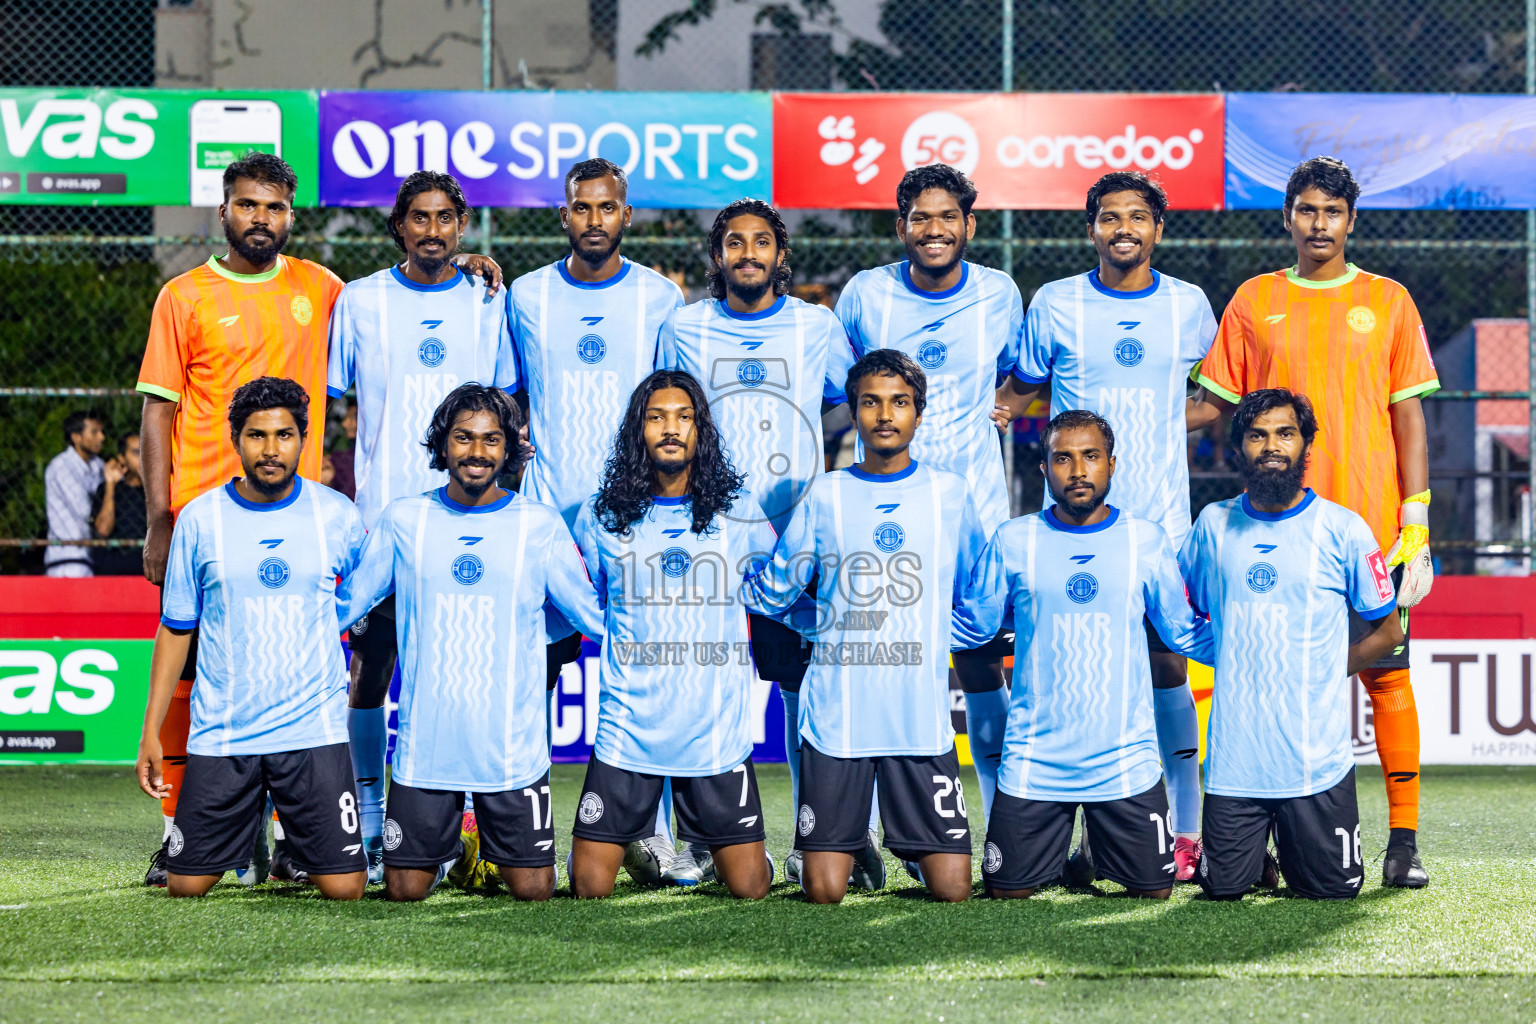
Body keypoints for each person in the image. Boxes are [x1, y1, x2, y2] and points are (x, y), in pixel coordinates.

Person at [135, 151, 502, 886]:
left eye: (273, 207)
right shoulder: (184, 295)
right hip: (207, 512)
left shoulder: (325, 289)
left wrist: (464, 261)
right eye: (247, 205)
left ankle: (302, 834)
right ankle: (185, 829)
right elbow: (156, 412)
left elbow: (414, 288)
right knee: (198, 673)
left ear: (290, 216)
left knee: (300, 672)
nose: (260, 218)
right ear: (224, 212)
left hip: (301, 515)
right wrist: (159, 517)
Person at [1189, 156, 1439, 888]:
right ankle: (1254, 833)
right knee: (1257, 678)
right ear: (1288, 217)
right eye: (1307, 209)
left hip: (1368, 523)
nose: (1319, 223)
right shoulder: (1254, 298)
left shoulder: (1389, 299)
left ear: (1351, 220)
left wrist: (1417, 515)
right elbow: (1214, 405)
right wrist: (1127, 420)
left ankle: (1403, 842)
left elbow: (1407, 414)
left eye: (1332, 211)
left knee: (1388, 672)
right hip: (1270, 527)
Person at [992, 171, 1218, 880]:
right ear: (1091, 228)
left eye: (1138, 216)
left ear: (1159, 229)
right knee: (1061, 661)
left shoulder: (1189, 305)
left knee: (1166, 664)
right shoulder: (1056, 302)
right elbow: (1018, 391)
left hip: (1161, 523)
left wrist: (1162, 424)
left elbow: (1218, 397)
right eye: (1110, 217)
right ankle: (1055, 819)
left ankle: (1186, 830)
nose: (1124, 228)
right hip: (1071, 525)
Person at [745, 350, 1004, 903]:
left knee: (954, 890)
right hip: (838, 720)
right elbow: (776, 593)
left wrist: (932, 632)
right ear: (854, 412)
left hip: (919, 722)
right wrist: (820, 623)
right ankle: (857, 841)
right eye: (870, 402)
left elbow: (977, 594)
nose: (885, 414)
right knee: (824, 891)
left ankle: (907, 841)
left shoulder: (949, 493)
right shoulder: (826, 494)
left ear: (919, 413)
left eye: (899, 402)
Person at [659, 198, 860, 887]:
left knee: (802, 691)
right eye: (735, 243)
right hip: (706, 535)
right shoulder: (685, 326)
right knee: (696, 684)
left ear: (780, 254)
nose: (749, 254)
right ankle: (696, 841)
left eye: (762, 242)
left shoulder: (816, 324)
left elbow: (850, 397)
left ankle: (812, 835)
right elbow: (666, 410)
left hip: (793, 539)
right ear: (717, 256)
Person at [326, 170, 518, 885]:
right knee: (371, 672)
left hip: (466, 518)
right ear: (399, 226)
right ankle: (373, 825)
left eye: (444, 219)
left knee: (461, 677)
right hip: (384, 522)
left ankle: (469, 833)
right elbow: (332, 401)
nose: (432, 230)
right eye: (419, 218)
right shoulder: (361, 299)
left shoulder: (486, 297)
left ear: (461, 226)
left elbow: (502, 403)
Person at [341, 383, 603, 902]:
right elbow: (347, 604)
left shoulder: (538, 524)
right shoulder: (404, 519)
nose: (477, 452)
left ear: (508, 449)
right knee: (404, 890)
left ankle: (478, 845)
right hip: (426, 749)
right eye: (463, 437)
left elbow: (591, 615)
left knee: (533, 890)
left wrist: (659, 636)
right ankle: (456, 852)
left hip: (512, 750)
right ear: (443, 444)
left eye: (491, 439)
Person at [507, 158, 685, 879]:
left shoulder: (659, 296)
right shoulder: (525, 294)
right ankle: (520, 834)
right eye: (581, 208)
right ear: (564, 216)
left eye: (607, 207)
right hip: (547, 523)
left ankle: (654, 835)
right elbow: (505, 395)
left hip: (637, 524)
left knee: (649, 681)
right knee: (531, 684)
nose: (594, 220)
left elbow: (673, 403)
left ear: (626, 215)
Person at [833, 164, 1023, 834]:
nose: (934, 230)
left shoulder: (999, 293)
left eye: (947, 217)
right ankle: (866, 832)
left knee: (981, 664)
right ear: (901, 226)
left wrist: (1002, 406)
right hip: (884, 513)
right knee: (875, 664)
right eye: (920, 218)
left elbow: (1017, 376)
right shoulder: (866, 294)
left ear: (969, 225)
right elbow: (843, 385)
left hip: (974, 514)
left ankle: (1006, 827)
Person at [134, 377, 368, 900]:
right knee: (186, 886)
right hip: (225, 732)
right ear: (235, 440)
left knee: (345, 888)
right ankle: (249, 828)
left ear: (303, 439)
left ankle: (274, 826)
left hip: (312, 729)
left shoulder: (337, 515)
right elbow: (176, 627)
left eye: (284, 435)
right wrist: (150, 731)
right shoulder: (200, 519)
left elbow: (361, 600)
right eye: (257, 435)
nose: (270, 449)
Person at [980, 410, 1213, 899]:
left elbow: (1182, 632)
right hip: (1035, 760)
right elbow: (977, 624)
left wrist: (1244, 650)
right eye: (1063, 458)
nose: (1078, 470)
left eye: (1091, 456)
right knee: (1006, 893)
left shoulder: (1145, 539)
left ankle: (1092, 849)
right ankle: (1076, 852)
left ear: (1112, 464)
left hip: (1124, 761)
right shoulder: (1013, 539)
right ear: (1044, 468)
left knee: (1154, 890)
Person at [1180, 388, 1403, 900]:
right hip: (1234, 767)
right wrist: (1223, 650)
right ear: (1240, 446)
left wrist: (1324, 665)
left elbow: (1389, 631)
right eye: (1257, 435)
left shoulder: (1342, 529)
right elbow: (1178, 609)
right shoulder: (1213, 524)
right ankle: (1259, 854)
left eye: (1285, 433)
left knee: (1333, 892)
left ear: (1305, 444)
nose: (1272, 446)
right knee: (1221, 891)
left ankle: (1290, 845)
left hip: (1316, 765)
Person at [568, 370, 776, 900]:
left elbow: (774, 589)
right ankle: (643, 837)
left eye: (684, 417)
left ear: (700, 430)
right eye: (656, 417)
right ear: (637, 430)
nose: (670, 428)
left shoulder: (736, 510)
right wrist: (618, 634)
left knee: (750, 888)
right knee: (589, 886)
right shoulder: (602, 514)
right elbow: (582, 597)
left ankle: (724, 847)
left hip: (712, 728)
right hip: (629, 724)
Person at [44, 410, 105, 577]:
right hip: (67, 558)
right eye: (94, 432)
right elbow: (85, 511)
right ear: (76, 437)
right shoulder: (61, 467)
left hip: (90, 557)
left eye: (101, 431)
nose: (102, 437)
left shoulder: (98, 465)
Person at [91, 432, 147, 577]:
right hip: (114, 568)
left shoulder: (160, 491)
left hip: (149, 568)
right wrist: (110, 484)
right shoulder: (108, 489)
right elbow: (103, 530)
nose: (143, 457)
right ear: (122, 458)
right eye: (136, 452)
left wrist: (150, 485)